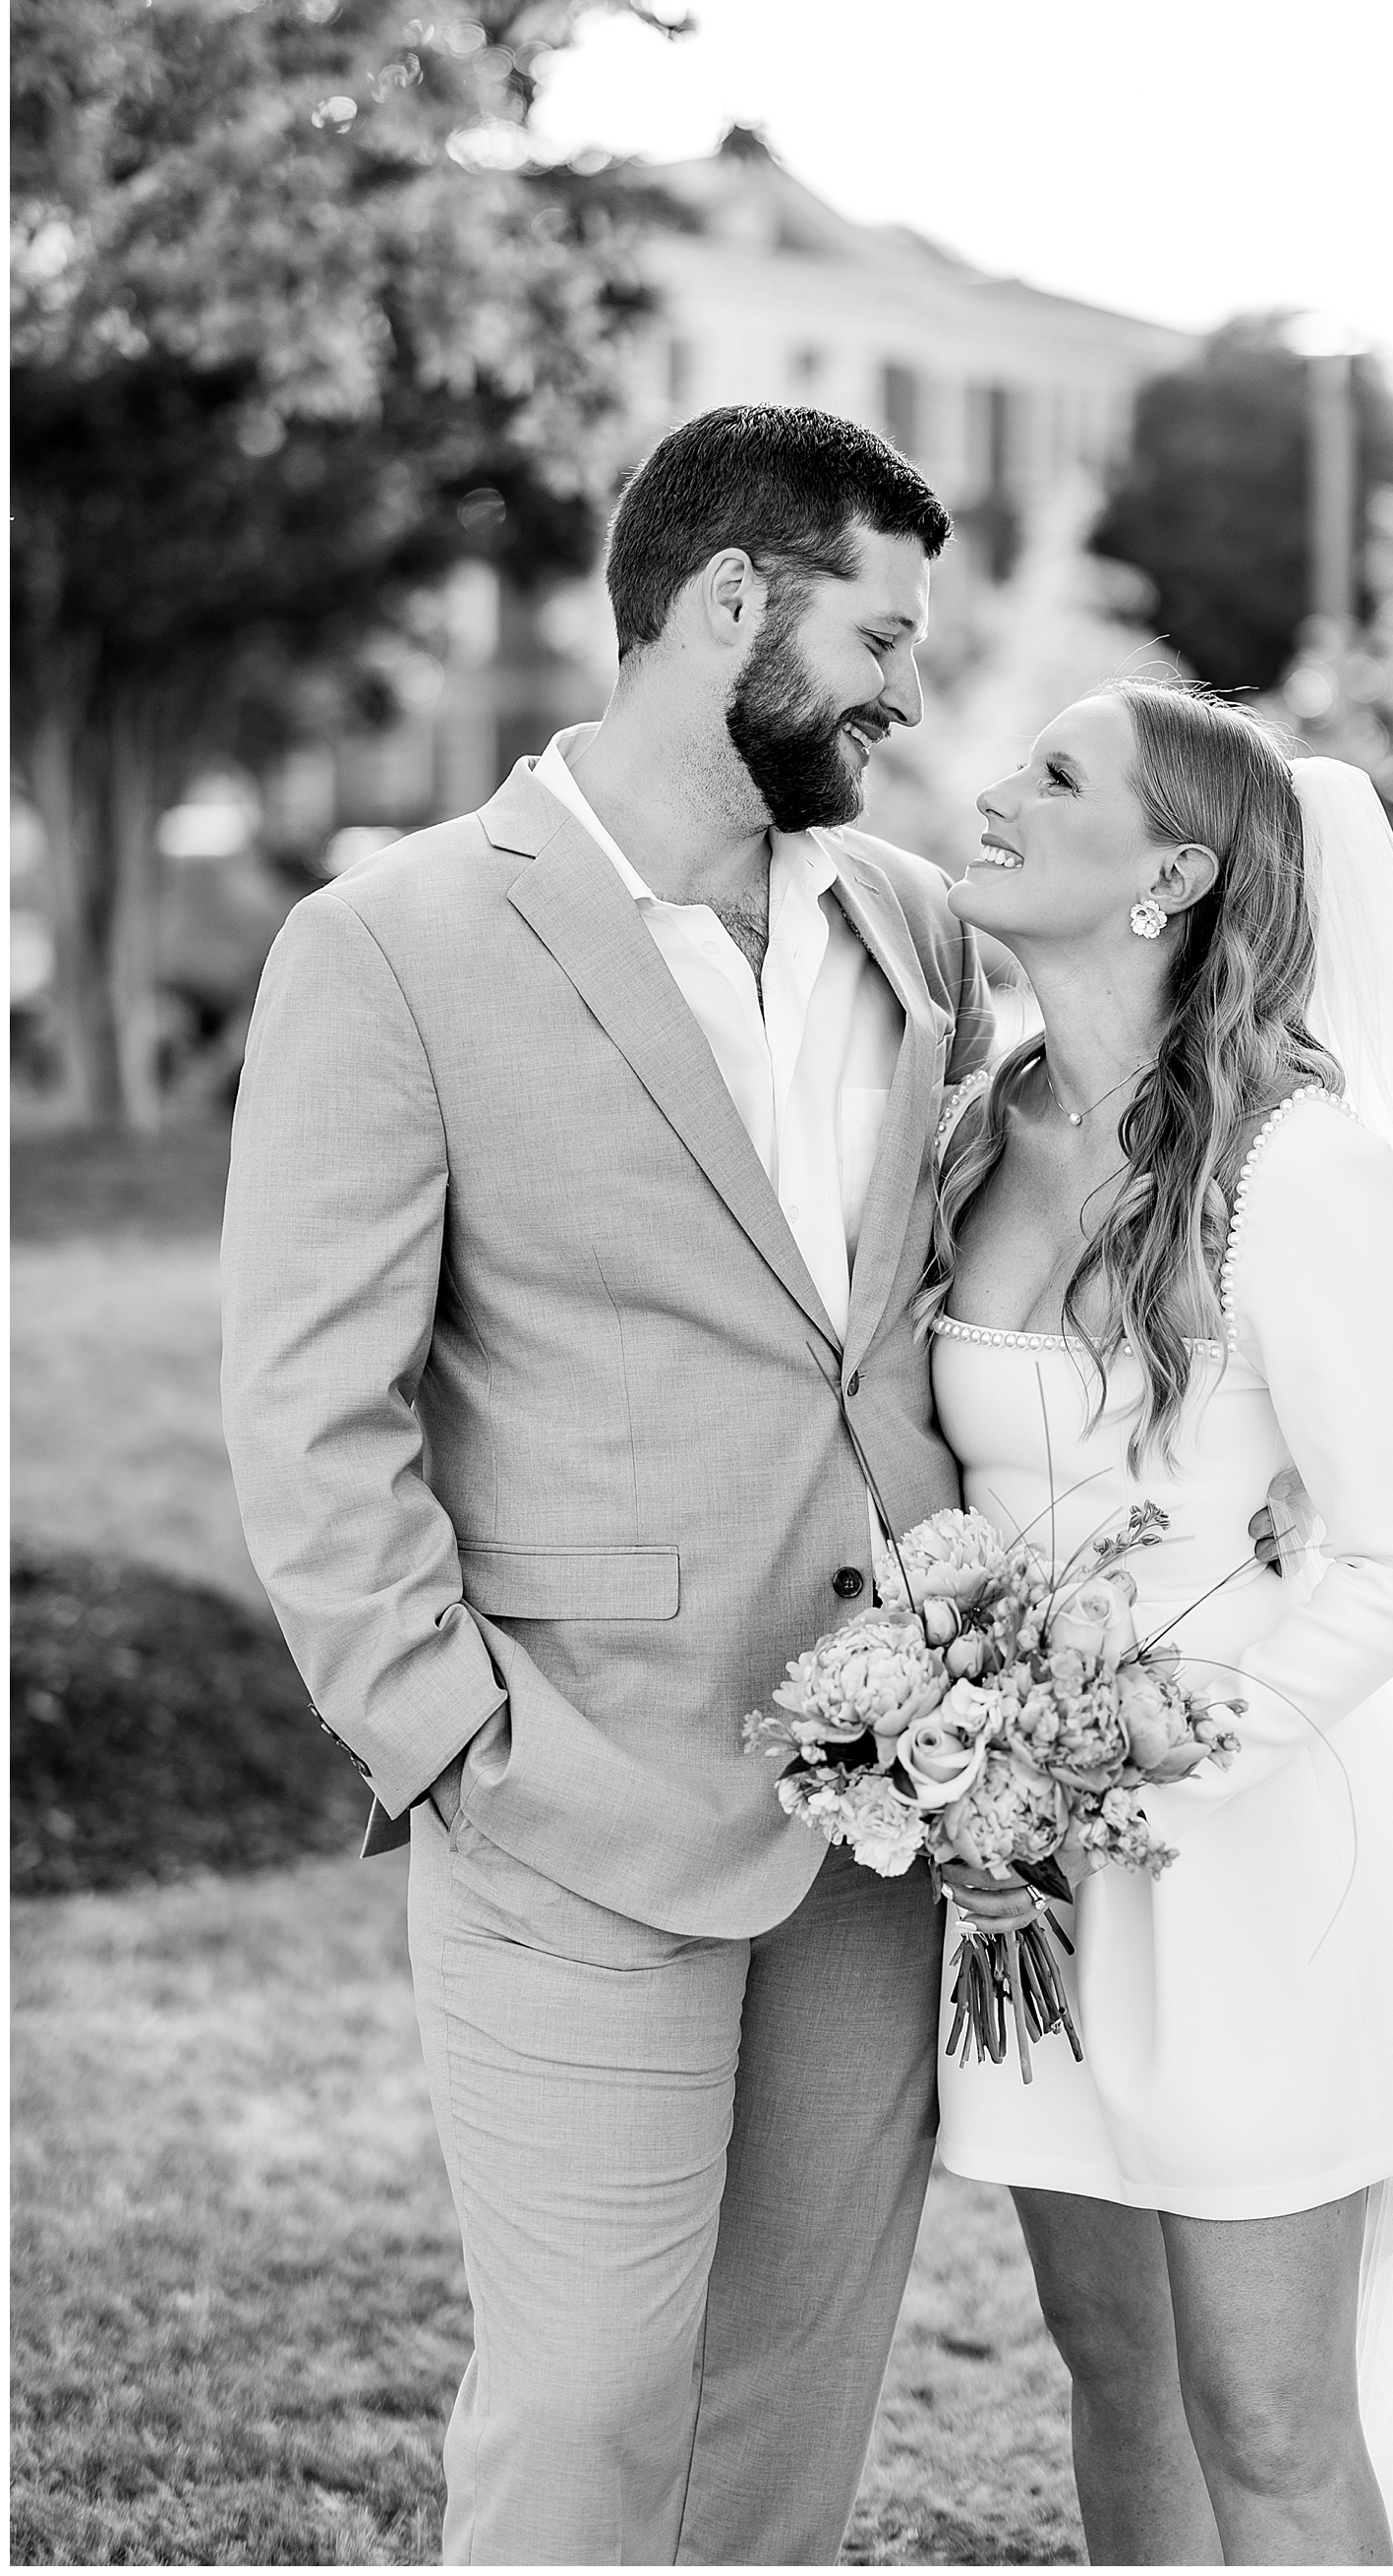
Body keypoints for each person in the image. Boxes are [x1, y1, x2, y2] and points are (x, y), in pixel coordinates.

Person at [219, 404, 997, 2565]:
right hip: (576, 1784)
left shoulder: (913, 924)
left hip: (888, 1806)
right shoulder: (392, 942)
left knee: (793, 2395)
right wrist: (452, 1737)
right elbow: (313, 1405)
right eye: (881, 635)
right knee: (583, 2402)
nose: (908, 694)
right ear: (730, 602)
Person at [926, 681, 1393, 2565]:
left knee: (1265, 2418)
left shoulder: (1297, 1166)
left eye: (1056, 775)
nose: (996, 790)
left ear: (1172, 874)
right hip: (1022, 1876)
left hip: (1250, 1872)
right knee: (1117, 2371)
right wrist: (967, 1749)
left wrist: (1165, 1752)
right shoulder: (974, 1128)